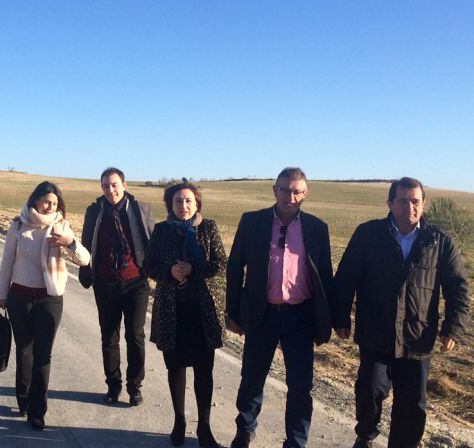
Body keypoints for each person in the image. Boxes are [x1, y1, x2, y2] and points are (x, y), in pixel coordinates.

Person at [333, 177, 470, 448]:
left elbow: (458, 287)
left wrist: (453, 327)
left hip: (417, 336)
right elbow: (346, 277)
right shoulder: (368, 234)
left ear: (423, 204)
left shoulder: (439, 242)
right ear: (390, 204)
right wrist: (340, 316)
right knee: (370, 389)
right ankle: (366, 435)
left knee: (412, 402)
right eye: (403, 201)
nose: (410, 206)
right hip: (376, 332)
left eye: (415, 201)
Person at [225, 167, 334, 448]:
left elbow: (325, 277)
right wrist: (233, 312)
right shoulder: (252, 222)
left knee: (300, 386)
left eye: (297, 191)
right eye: (285, 189)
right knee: (252, 378)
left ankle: (296, 440)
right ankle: (245, 429)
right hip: (261, 314)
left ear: (305, 194)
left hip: (300, 317)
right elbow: (235, 267)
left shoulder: (317, 228)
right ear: (274, 190)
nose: (290, 196)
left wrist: (326, 322)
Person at [0, 181, 90, 431]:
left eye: (55, 203)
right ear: (35, 200)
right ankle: (24, 398)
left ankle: (38, 411)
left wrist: (69, 243)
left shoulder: (61, 227)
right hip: (20, 297)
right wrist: (1, 297)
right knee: (24, 350)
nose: (50, 206)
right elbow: (7, 264)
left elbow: (85, 259)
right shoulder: (18, 225)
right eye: (46, 201)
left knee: (43, 354)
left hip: (50, 297)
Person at [143, 182, 227, 448]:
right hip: (171, 310)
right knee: (175, 367)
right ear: (171, 205)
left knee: (204, 371)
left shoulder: (208, 228)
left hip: (202, 312)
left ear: (197, 203)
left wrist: (192, 268)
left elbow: (220, 264)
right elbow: (148, 265)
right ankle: (179, 421)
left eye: (189, 200)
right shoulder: (161, 231)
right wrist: (169, 271)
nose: (184, 206)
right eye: (178, 201)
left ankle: (204, 428)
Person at [79, 167, 155, 406]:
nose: (110, 190)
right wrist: (84, 268)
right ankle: (113, 386)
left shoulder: (141, 209)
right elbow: (86, 242)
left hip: (135, 282)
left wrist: (154, 270)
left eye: (114, 184)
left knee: (135, 335)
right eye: (105, 186)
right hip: (105, 283)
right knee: (109, 337)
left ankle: (135, 386)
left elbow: (152, 241)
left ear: (124, 184)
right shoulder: (94, 211)